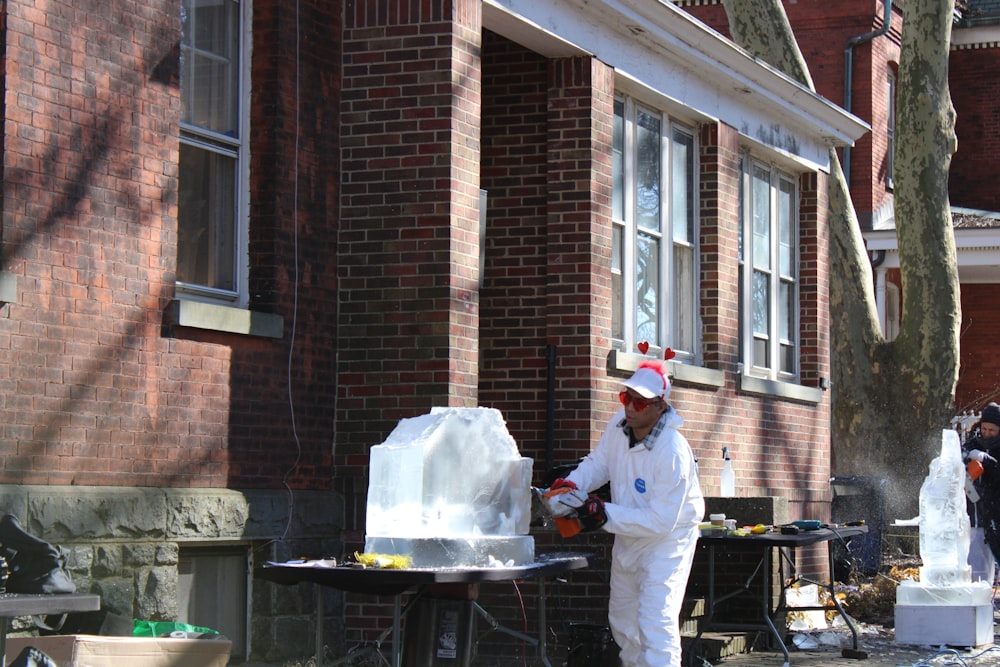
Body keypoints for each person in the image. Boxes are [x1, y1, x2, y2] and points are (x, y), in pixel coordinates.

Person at [545, 359, 705, 667]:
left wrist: (604, 513)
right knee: (622, 619)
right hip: (628, 532)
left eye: (640, 402)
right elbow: (599, 464)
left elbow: (661, 520)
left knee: (655, 621)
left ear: (660, 406)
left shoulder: (672, 452)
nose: (631, 407)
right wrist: (571, 484)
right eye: (626, 398)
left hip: (667, 542)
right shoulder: (619, 426)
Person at [965, 402, 1000, 583]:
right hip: (974, 512)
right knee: (975, 560)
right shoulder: (972, 442)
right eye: (984, 428)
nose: (987, 433)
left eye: (992, 430)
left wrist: (988, 462)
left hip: (995, 510)